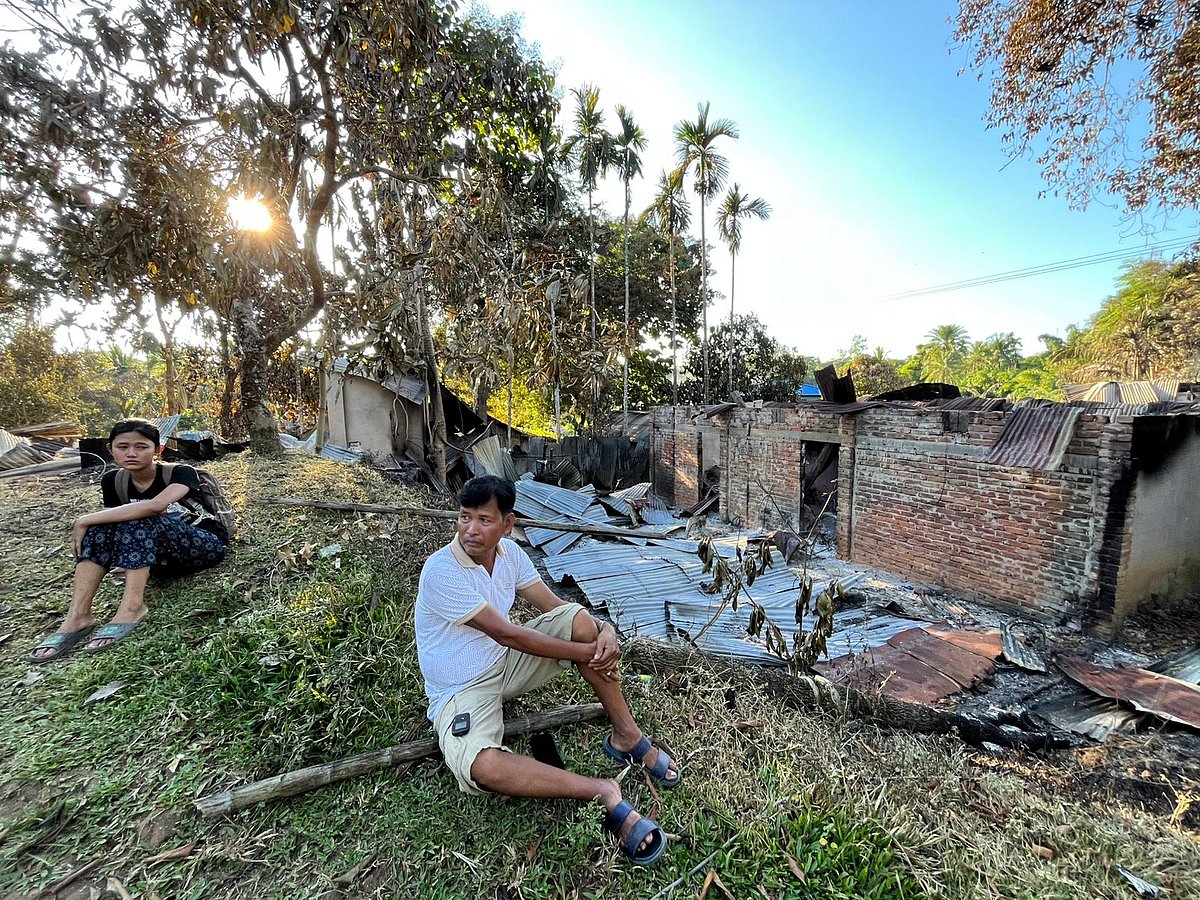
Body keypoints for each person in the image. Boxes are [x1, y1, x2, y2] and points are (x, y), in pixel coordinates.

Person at [415, 475, 683, 867]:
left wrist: (604, 630)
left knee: (579, 620)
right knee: (482, 766)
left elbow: (557, 608)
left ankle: (627, 736)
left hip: (504, 666)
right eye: (464, 517)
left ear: (507, 524)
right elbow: (507, 634)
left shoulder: (510, 556)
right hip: (461, 687)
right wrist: (590, 650)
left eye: (484, 520)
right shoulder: (441, 570)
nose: (470, 529)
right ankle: (601, 791)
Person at [28, 419, 229, 662]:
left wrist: (83, 520)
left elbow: (155, 506)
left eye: (141, 447)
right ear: (110, 449)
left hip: (203, 545)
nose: (131, 453)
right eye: (122, 447)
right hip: (159, 559)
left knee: (138, 517)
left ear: (158, 450)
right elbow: (114, 525)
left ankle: (133, 607)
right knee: (102, 526)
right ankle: (78, 616)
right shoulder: (113, 481)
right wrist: (92, 525)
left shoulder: (179, 472)